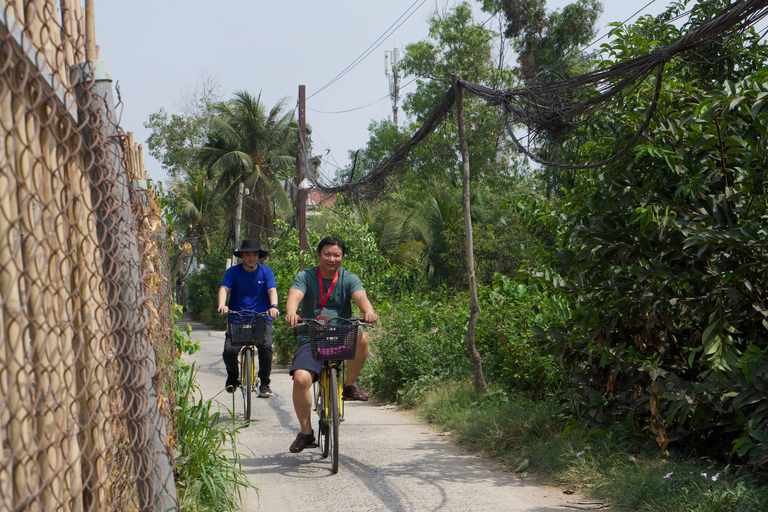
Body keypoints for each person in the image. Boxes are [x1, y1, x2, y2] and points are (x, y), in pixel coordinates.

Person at [284, 236, 378, 453]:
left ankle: (349, 385)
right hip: (312, 337)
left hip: (341, 333)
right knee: (300, 379)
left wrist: (368, 312)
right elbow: (294, 296)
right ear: (319, 255)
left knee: (361, 337)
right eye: (327, 254)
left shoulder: (348, 278)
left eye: (337, 255)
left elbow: (361, 297)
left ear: (342, 257)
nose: (332, 259)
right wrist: (291, 312)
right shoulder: (306, 276)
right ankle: (306, 432)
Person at [218, 239, 279, 397]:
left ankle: (265, 383)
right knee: (229, 351)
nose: (251, 257)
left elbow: (272, 290)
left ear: (258, 255)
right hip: (237, 319)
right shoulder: (233, 272)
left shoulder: (266, 272)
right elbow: (224, 288)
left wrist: (274, 307)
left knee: (266, 348)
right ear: (242, 256)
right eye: (247, 254)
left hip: (261, 318)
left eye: (254, 254)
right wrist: (222, 305)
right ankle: (233, 376)